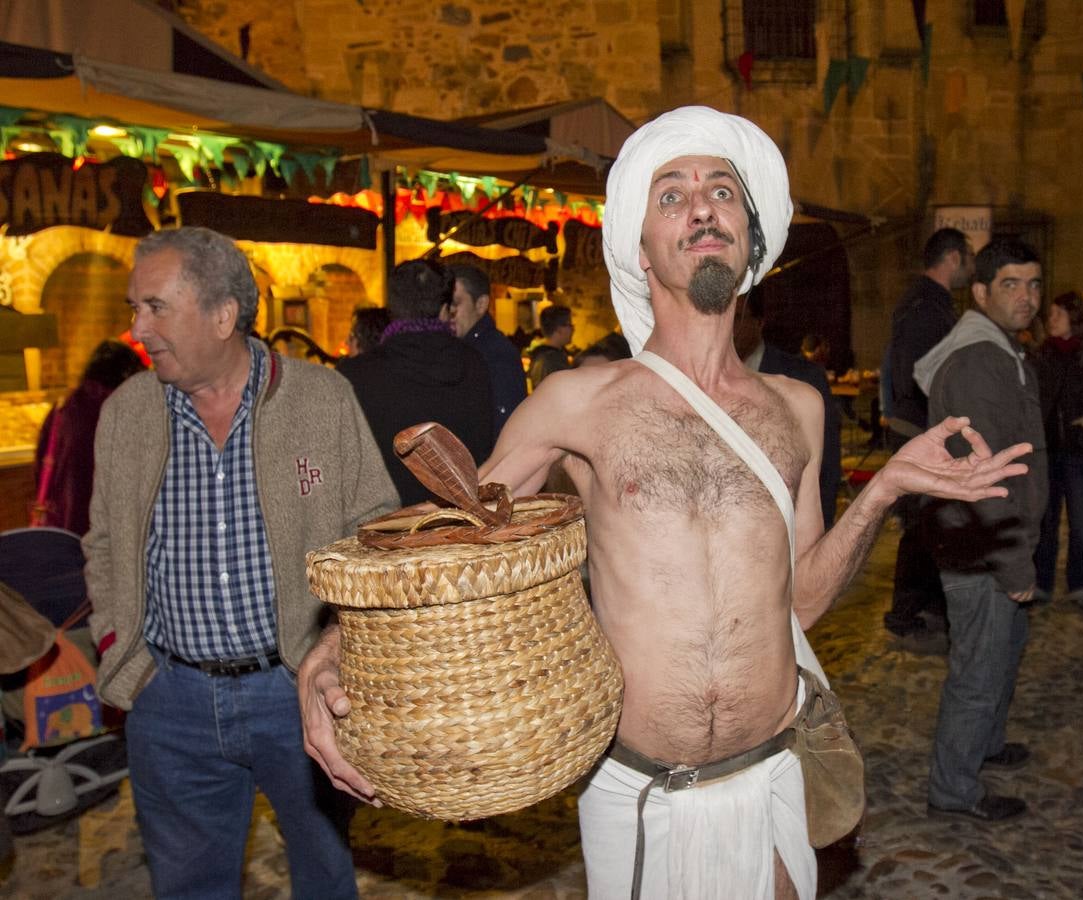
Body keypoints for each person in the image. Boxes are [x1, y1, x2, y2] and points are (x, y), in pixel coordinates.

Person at [298, 106, 1030, 900]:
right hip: (639, 792)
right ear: (639, 247)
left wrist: (884, 488)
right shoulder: (579, 400)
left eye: (722, 190)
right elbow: (452, 540)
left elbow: (802, 603)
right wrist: (339, 647)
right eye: (672, 196)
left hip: (771, 773)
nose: (703, 206)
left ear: (750, 240)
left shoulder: (798, 407)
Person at [83, 226, 398, 899]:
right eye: (134, 309)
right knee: (190, 885)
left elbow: (371, 528)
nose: (138, 328)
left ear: (223, 315)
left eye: (155, 307)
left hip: (297, 689)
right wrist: (120, 651)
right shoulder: (126, 414)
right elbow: (103, 544)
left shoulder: (321, 398)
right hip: (170, 699)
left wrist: (340, 649)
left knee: (324, 870)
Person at [914, 237, 1048, 824]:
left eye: (1034, 284)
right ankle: (954, 789)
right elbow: (988, 479)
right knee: (978, 670)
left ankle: (986, 744)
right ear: (981, 292)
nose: (1027, 298)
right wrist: (1016, 565)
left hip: (994, 544)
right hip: (981, 549)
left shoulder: (999, 350)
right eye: (1011, 285)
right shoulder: (978, 361)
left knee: (1002, 655)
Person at [883, 227, 974, 652]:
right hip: (920, 432)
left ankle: (921, 608)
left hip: (920, 428)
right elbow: (918, 377)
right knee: (922, 527)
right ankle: (908, 612)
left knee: (926, 526)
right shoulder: (926, 308)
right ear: (953, 258)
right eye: (968, 258)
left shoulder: (928, 303)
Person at [339, 259, 495, 506]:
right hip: (460, 521)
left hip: (386, 527)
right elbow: (486, 447)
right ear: (445, 310)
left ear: (392, 309)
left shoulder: (354, 375)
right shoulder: (475, 363)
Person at [1031, 291, 1083, 613]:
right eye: (1050, 314)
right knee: (1046, 520)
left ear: (1075, 318)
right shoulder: (1042, 355)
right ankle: (1042, 582)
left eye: (1057, 314)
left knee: (1080, 521)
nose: (1050, 320)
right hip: (1048, 449)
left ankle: (1082, 585)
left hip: (1080, 451)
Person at [733, 287, 842, 526]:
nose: (726, 329)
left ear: (759, 322)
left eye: (736, 318)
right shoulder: (699, 380)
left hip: (790, 528)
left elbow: (826, 466)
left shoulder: (802, 378)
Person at [32, 339, 144, 535]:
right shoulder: (121, 416)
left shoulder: (60, 410)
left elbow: (40, 469)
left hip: (61, 531)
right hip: (104, 536)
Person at [441, 263, 528, 441]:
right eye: (445, 304)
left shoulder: (496, 354)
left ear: (481, 304)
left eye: (455, 303)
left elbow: (505, 429)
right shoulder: (456, 348)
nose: (448, 312)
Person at [528, 304, 573, 388]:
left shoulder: (557, 354)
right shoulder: (545, 360)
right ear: (559, 329)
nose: (573, 329)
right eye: (569, 324)